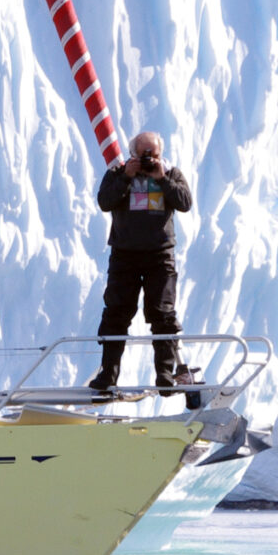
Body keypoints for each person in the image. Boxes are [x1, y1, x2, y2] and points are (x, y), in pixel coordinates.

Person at [89, 130, 194, 394]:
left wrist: (163, 179)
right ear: (133, 154)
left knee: (163, 314)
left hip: (160, 255)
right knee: (116, 313)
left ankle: (165, 373)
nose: (149, 161)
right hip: (125, 254)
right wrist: (127, 176)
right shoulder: (118, 173)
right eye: (143, 155)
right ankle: (108, 375)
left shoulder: (172, 174)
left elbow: (184, 203)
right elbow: (105, 201)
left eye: (154, 155)